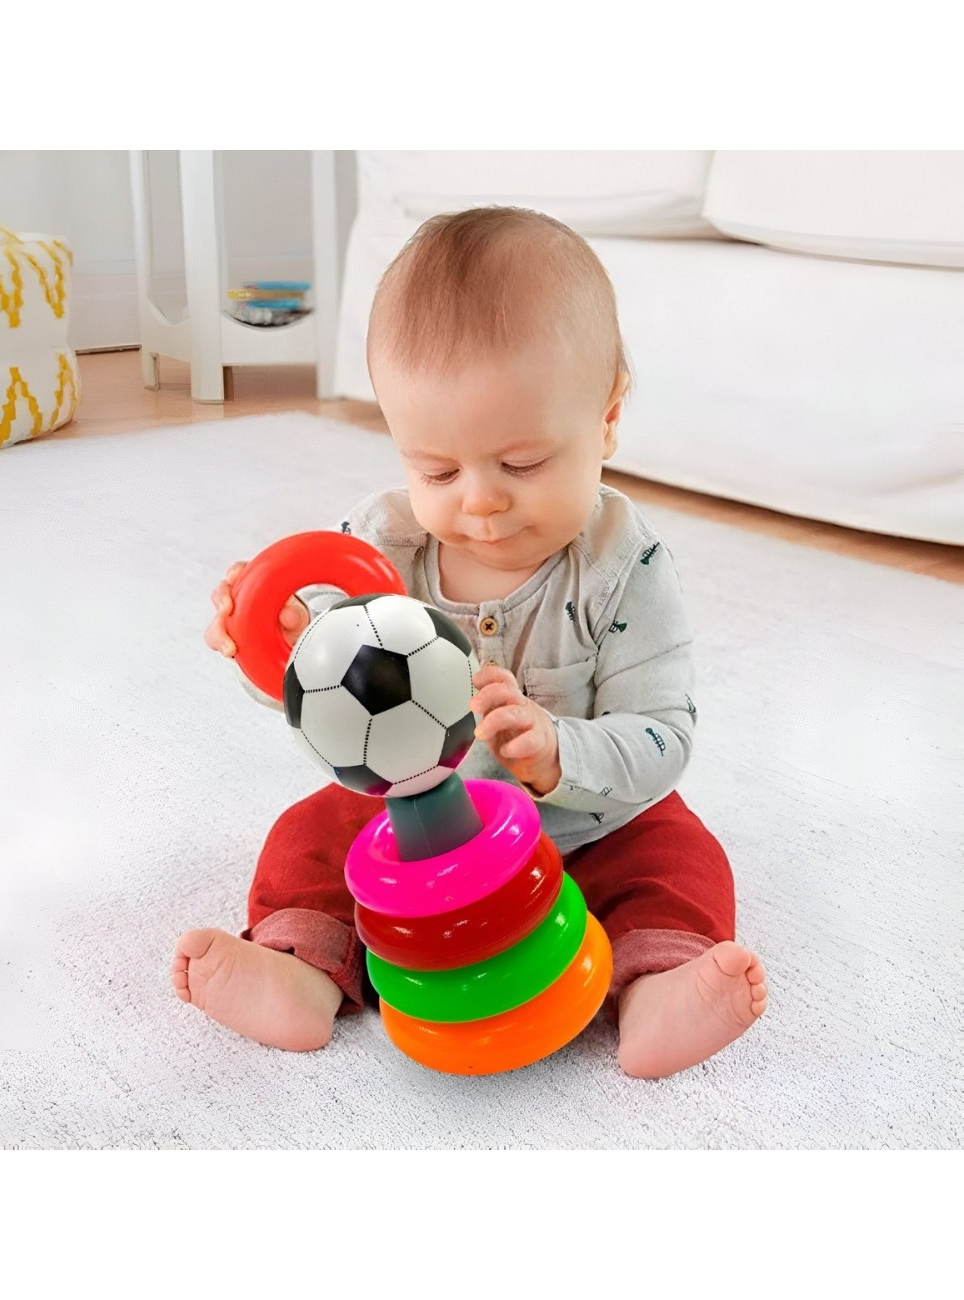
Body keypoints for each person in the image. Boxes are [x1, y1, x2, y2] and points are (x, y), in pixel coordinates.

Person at [172, 207, 767, 1078]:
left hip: (584, 827)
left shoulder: (624, 568)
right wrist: (274, 645)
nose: (480, 500)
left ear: (606, 419)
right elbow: (319, 697)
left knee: (678, 857)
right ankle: (298, 965)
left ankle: (660, 985)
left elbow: (662, 734)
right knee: (311, 835)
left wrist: (559, 752)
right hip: (408, 823)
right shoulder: (379, 551)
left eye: (521, 464)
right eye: (438, 470)